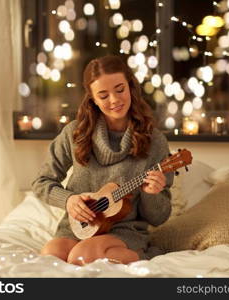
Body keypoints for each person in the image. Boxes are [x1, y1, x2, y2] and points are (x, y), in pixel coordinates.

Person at [32, 55, 173, 265]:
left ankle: (146, 255)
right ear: (92, 99)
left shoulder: (154, 141)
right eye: (103, 95)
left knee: (83, 256)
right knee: (50, 257)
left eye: (120, 89)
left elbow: (158, 218)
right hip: (80, 226)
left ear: (131, 87)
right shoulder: (74, 134)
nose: (115, 100)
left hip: (124, 231)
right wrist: (69, 200)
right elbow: (41, 182)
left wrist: (151, 194)